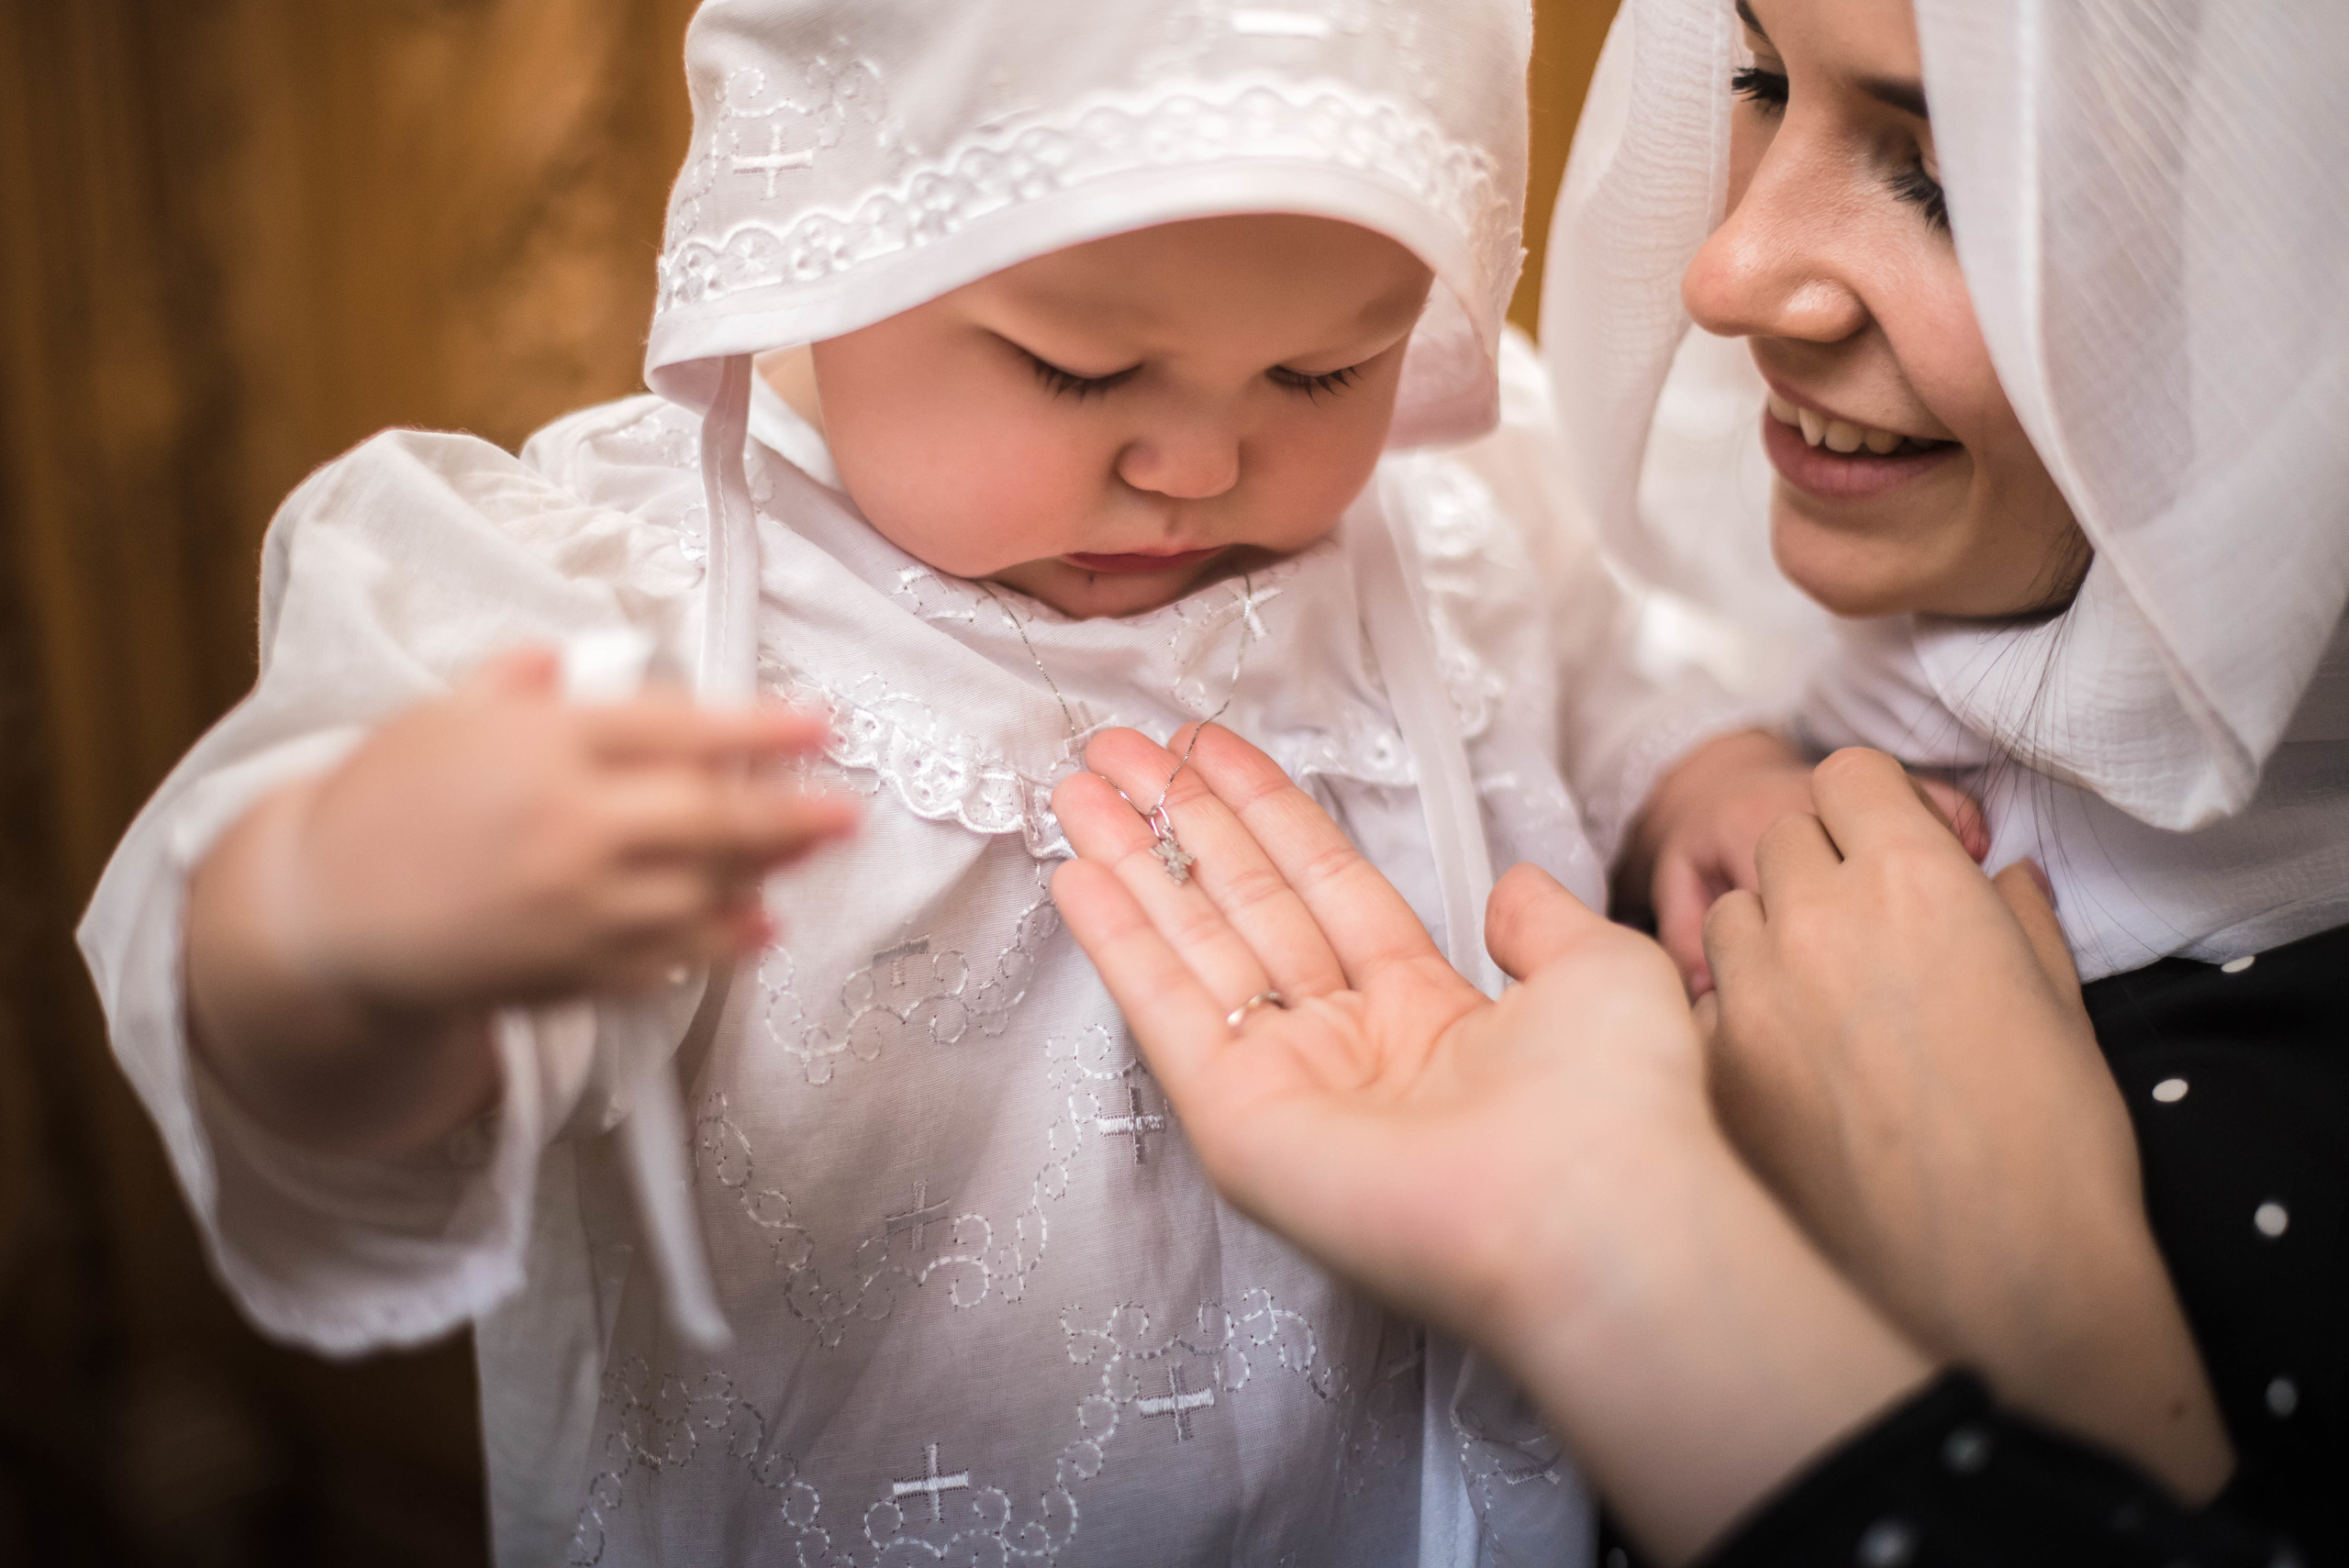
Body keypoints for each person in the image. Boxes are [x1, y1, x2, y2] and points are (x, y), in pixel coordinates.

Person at [72, 0, 1813, 1562]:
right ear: (818, 237)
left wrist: (1705, 777)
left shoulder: (1449, 515)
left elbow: (1606, 664)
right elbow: (315, 1104)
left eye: (1324, 367)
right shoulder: (607, 611)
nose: (1198, 458)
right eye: (1077, 365)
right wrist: (340, 919)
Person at [1048, 0, 2349, 1562]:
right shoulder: (1690, 741)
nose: (1723, 275)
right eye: (1757, 82)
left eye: (1948, 178)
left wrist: (2072, 1365)